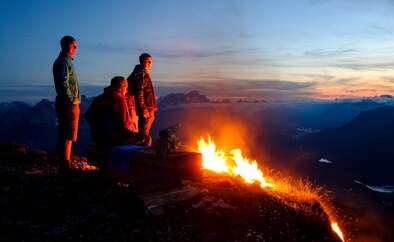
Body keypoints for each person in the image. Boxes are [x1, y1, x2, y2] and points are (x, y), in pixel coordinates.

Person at [85, 76, 146, 146]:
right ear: (120, 88)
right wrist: (135, 136)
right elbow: (124, 125)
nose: (127, 90)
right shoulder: (120, 100)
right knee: (146, 140)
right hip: (115, 139)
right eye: (126, 87)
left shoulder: (99, 99)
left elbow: (88, 116)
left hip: (97, 138)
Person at [53, 35, 80, 171]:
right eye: (73, 45)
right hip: (68, 104)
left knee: (67, 134)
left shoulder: (66, 61)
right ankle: (65, 166)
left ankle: (65, 163)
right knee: (67, 135)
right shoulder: (63, 61)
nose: (75, 48)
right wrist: (71, 99)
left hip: (67, 103)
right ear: (65, 46)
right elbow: (63, 83)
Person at [127, 53, 158, 145]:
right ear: (141, 62)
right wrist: (144, 108)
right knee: (144, 130)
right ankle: (143, 147)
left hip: (147, 106)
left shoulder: (140, 73)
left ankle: (143, 145)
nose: (150, 63)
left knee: (145, 127)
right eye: (147, 61)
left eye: (151, 62)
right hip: (146, 107)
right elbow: (139, 92)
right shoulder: (141, 74)